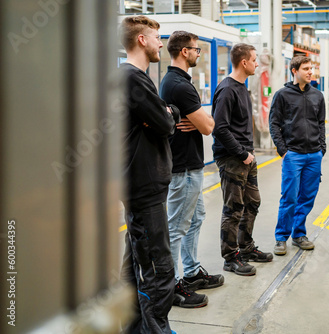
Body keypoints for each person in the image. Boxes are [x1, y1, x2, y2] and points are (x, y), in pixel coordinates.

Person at [119, 16, 179, 334]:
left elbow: (161, 118)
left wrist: (164, 114)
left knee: (135, 262)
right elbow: (167, 124)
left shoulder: (134, 78)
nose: (161, 42)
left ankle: (130, 326)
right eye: (157, 37)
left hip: (140, 183)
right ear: (141, 40)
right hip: (144, 185)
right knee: (159, 269)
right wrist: (167, 114)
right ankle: (156, 329)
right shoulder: (133, 79)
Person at [159, 31, 223, 308]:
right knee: (176, 226)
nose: (199, 53)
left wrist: (200, 119)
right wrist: (201, 120)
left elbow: (204, 121)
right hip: (184, 167)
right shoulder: (178, 85)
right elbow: (209, 126)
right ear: (184, 51)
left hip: (190, 164)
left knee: (195, 219)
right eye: (197, 49)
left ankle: (192, 271)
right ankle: (171, 286)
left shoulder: (179, 81)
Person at [212, 43, 273, 276]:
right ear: (244, 62)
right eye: (255, 59)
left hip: (247, 157)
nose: (257, 63)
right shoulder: (227, 89)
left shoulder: (242, 88)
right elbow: (220, 128)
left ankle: (245, 248)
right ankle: (230, 257)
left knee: (252, 203)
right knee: (233, 209)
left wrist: (249, 154)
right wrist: (242, 153)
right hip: (233, 159)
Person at [269, 56, 326, 256]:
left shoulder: (318, 95)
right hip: (293, 154)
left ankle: (299, 234)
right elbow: (274, 123)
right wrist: (283, 150)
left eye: (311, 68)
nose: (310, 72)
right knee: (289, 197)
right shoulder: (282, 95)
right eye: (306, 68)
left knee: (307, 197)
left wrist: (322, 148)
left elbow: (320, 124)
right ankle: (281, 237)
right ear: (294, 70)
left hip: (314, 155)